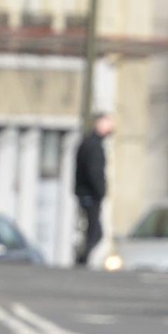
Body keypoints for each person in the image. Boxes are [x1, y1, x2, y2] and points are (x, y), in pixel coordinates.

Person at [73, 112, 112, 266]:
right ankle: (83, 259)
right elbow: (93, 171)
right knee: (95, 231)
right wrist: (100, 191)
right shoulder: (93, 145)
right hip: (90, 194)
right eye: (108, 123)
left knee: (93, 230)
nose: (111, 127)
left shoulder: (88, 142)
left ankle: (83, 257)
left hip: (85, 193)